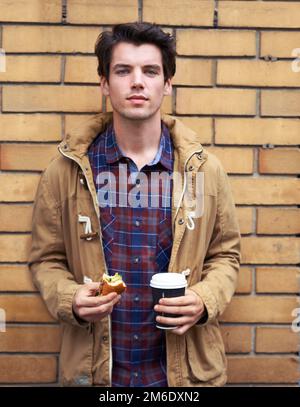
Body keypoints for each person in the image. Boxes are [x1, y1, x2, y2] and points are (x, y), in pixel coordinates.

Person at [28, 22, 241, 387]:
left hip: (182, 377)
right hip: (97, 374)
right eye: (123, 70)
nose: (137, 81)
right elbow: (46, 259)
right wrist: (70, 298)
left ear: (167, 84)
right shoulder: (67, 170)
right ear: (105, 84)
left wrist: (205, 299)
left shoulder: (204, 170)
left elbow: (226, 255)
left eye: (151, 71)